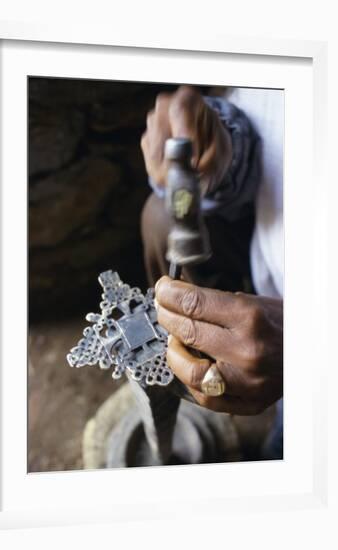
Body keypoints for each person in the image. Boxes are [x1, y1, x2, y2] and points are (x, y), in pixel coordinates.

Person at [140, 85, 283, 458]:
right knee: (160, 217)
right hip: (269, 259)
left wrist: (315, 347)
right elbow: (277, 145)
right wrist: (224, 148)